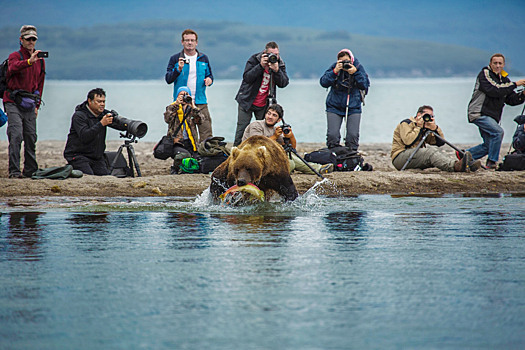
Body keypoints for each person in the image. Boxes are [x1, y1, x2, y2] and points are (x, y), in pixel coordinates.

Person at [466, 53, 525, 169]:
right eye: (495, 63)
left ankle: (465, 155)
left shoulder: (504, 80)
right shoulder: (485, 74)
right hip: (478, 113)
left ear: (504, 65)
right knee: (498, 132)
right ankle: (492, 162)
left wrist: (522, 95)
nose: (497, 66)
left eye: (500, 63)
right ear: (490, 64)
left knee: (489, 145)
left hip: (492, 116)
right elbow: (494, 89)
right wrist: (515, 84)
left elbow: (511, 99)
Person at [3, 25, 46, 178]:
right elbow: (12, 68)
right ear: (21, 40)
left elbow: (40, 83)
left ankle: (30, 170)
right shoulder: (15, 56)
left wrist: (37, 105)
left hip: (30, 102)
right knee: (16, 135)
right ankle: (14, 171)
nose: (31, 42)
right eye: (28, 39)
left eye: (33, 39)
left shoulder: (40, 61)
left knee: (31, 136)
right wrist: (29, 61)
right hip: (13, 101)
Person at [242, 104, 333, 175]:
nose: (270, 117)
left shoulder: (275, 129)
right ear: (265, 114)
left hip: (267, 158)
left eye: (274, 115)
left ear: (278, 120)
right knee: (291, 163)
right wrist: (275, 136)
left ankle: (319, 169)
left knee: (290, 157)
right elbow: (256, 145)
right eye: (268, 113)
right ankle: (316, 169)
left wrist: (291, 136)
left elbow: (292, 148)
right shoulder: (256, 125)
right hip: (253, 158)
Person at [391, 105, 481, 172]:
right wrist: (419, 127)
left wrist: (435, 128)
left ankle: (466, 165)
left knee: (436, 154)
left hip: (414, 156)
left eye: (432, 116)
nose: (429, 118)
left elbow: (440, 143)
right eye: (427, 115)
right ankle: (455, 166)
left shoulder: (425, 126)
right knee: (430, 151)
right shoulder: (406, 123)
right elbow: (408, 141)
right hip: (400, 158)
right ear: (419, 114)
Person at [233, 41, 289, 146]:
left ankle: (262, 154)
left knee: (265, 130)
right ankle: (236, 154)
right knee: (241, 130)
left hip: (264, 104)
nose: (274, 57)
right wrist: (260, 66)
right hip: (247, 100)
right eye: (271, 54)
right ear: (264, 52)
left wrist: (277, 71)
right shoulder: (254, 59)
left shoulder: (279, 63)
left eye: (276, 54)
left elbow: (284, 83)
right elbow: (247, 78)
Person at [165, 29, 213, 143]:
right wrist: (178, 69)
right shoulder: (175, 59)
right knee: (182, 133)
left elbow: (210, 75)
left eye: (192, 40)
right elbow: (168, 79)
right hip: (182, 103)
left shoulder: (203, 58)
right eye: (187, 40)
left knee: (206, 131)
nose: (189, 43)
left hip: (200, 101)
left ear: (196, 42)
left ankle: (206, 157)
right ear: (182, 42)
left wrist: (210, 80)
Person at [63, 88, 126, 175]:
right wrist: (101, 124)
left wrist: (128, 125)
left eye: (103, 101)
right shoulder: (79, 116)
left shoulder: (104, 114)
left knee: (105, 177)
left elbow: (120, 125)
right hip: (78, 155)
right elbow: (85, 136)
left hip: (96, 157)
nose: (102, 104)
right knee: (89, 176)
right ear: (90, 101)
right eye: (99, 101)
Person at [320, 48, 369, 151]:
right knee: (332, 135)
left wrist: (355, 73)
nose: (345, 64)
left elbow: (364, 85)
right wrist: (335, 72)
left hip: (353, 106)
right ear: (338, 61)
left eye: (347, 61)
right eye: (342, 61)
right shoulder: (335, 67)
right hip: (334, 105)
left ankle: (351, 156)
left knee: (352, 135)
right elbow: (323, 82)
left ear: (352, 60)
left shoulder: (358, 67)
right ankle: (334, 154)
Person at [163, 86, 204, 174]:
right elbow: (167, 119)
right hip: (177, 142)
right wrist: (176, 105)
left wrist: (194, 106)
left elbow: (201, 121)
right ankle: (175, 168)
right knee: (184, 156)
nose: (184, 97)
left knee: (199, 164)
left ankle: (184, 167)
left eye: (186, 95)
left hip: (191, 142)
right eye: (181, 95)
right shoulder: (171, 107)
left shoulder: (191, 109)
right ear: (177, 96)